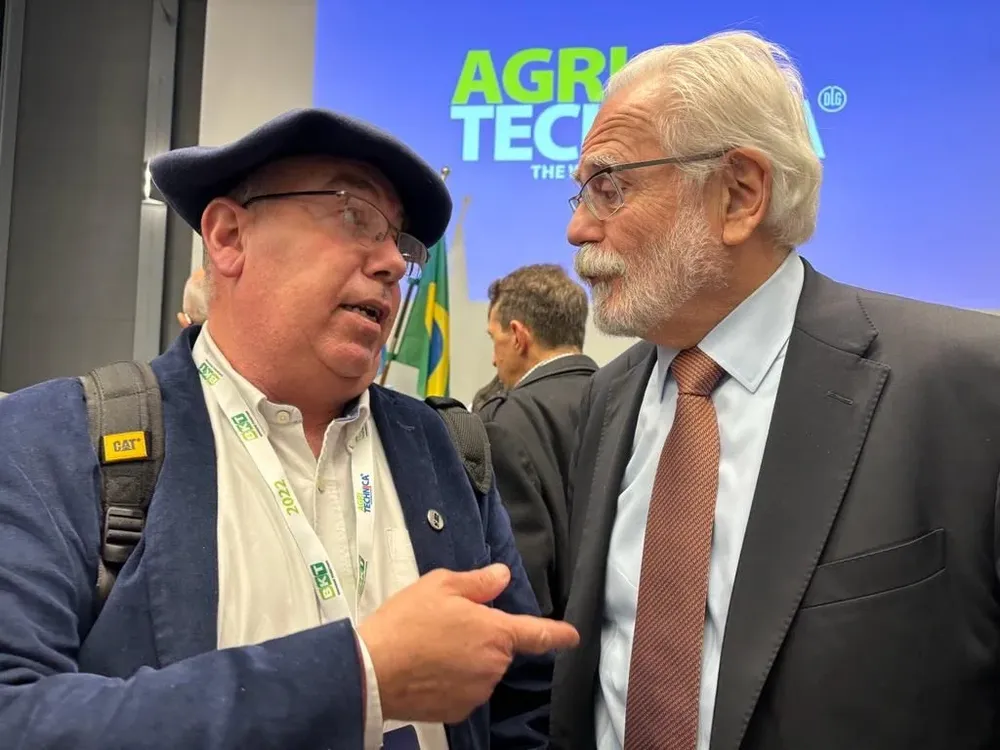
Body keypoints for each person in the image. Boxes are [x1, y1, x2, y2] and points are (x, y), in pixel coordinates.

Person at [0, 108, 578, 750]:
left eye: (401, 241)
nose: (393, 261)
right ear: (228, 237)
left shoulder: (449, 449)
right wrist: (358, 676)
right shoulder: (56, 441)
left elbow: (521, 709)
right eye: (354, 214)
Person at [551, 30, 1000, 750]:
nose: (577, 229)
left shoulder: (969, 385)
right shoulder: (607, 400)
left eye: (609, 187)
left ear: (739, 194)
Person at [478, 264, 597, 619]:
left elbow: (522, 578)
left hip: (553, 641)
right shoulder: (632, 400)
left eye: (493, 339)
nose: (493, 359)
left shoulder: (503, 422)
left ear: (518, 336)